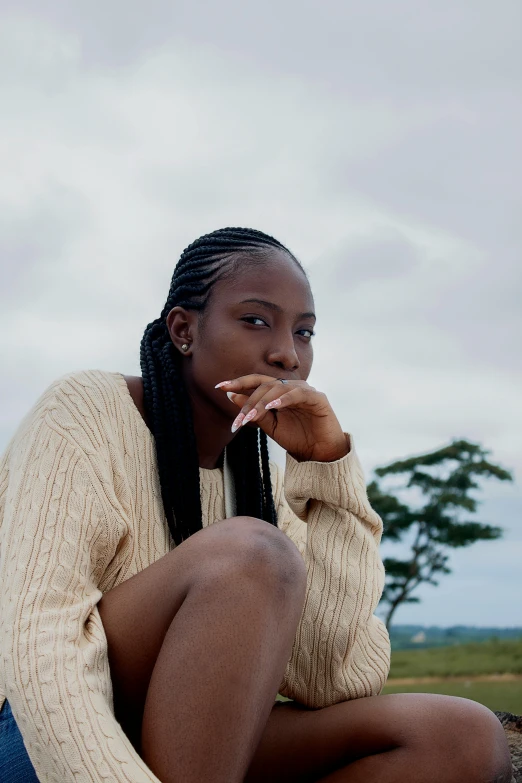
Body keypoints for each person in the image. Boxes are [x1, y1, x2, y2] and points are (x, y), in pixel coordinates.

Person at [0, 227, 511, 783]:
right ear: (183, 330)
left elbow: (332, 676)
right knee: (250, 554)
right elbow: (37, 645)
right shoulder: (84, 415)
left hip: (196, 741)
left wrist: (326, 466)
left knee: (460, 737)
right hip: (37, 735)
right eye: (256, 320)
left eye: (305, 332)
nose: (286, 353)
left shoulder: (260, 480)